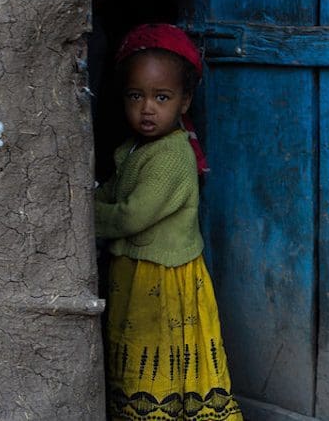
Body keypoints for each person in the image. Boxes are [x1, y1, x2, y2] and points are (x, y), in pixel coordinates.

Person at [95, 23, 243, 421]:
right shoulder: (135, 149)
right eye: (135, 96)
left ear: (184, 101)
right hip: (140, 275)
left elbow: (131, 214)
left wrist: (80, 217)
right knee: (145, 350)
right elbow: (112, 190)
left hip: (163, 280)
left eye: (161, 97)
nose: (147, 108)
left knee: (160, 351)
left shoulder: (170, 157)